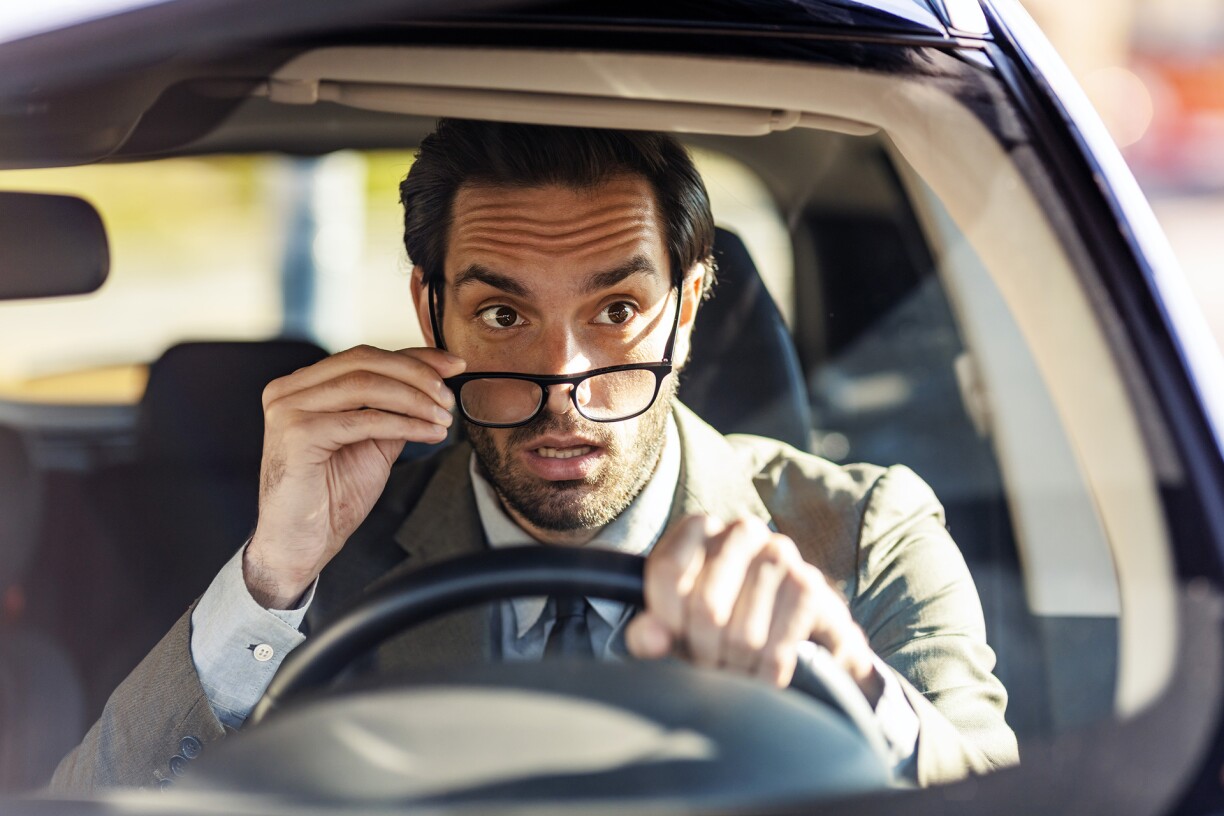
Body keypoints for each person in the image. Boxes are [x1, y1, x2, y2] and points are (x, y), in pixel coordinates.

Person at [51, 119, 1018, 793]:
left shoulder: (866, 533)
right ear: (432, 311)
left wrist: (848, 681)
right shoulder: (329, 555)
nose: (564, 383)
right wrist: (269, 580)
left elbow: (1015, 795)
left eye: (617, 309)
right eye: (505, 316)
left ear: (686, 309)